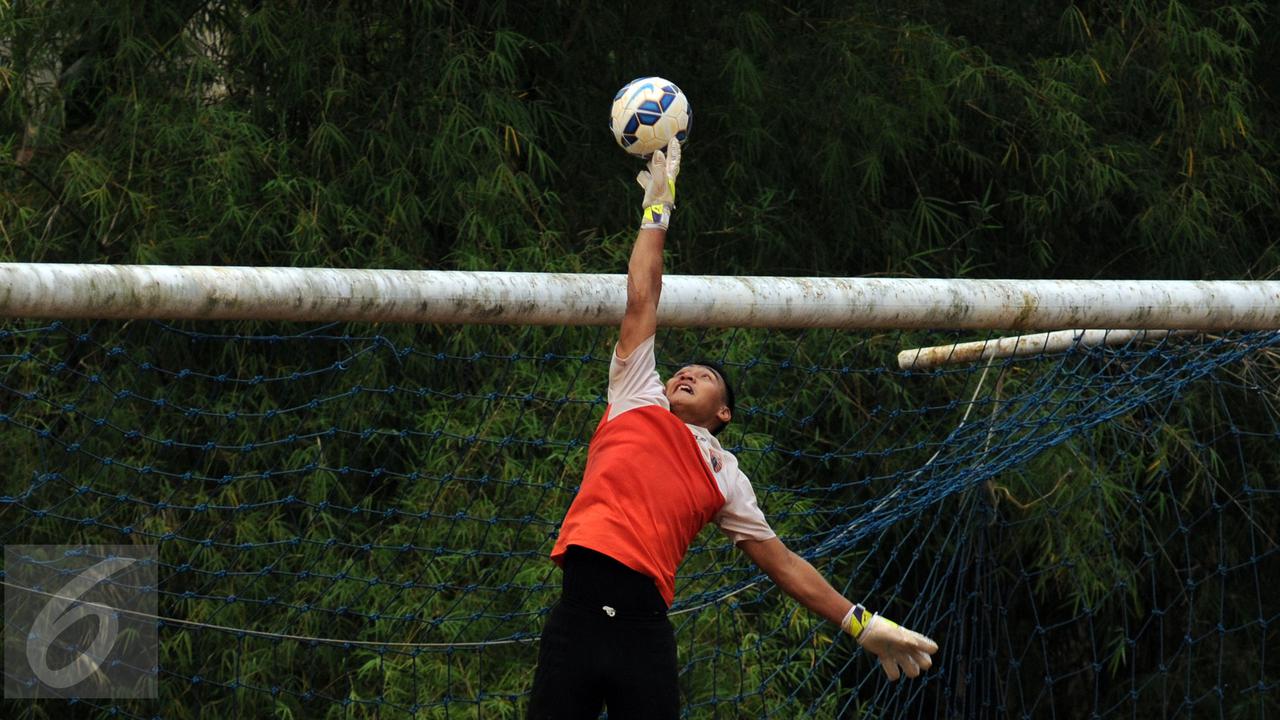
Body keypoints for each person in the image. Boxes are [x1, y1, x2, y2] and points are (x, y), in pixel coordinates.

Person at [526, 138, 937, 719]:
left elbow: (784, 562)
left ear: (725, 414)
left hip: (645, 632)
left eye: (708, 373)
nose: (688, 371)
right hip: (578, 615)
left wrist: (859, 623)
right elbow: (644, 292)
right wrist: (657, 210)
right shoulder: (635, 392)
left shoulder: (725, 475)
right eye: (684, 368)